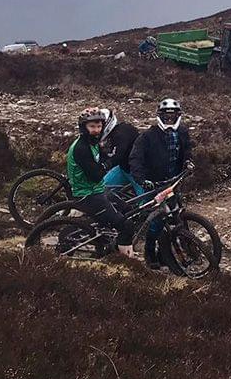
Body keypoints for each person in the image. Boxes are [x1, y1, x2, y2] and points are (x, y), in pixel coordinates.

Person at [129, 98, 193, 265]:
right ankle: (149, 251)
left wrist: (188, 162)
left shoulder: (182, 132)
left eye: (172, 117)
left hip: (174, 182)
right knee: (156, 219)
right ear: (160, 116)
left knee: (176, 215)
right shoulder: (147, 136)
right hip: (155, 183)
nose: (169, 120)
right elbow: (135, 159)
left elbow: (187, 151)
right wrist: (142, 180)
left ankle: (167, 250)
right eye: (166, 117)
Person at [68, 108, 133, 256]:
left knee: (129, 211)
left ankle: (111, 243)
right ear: (83, 127)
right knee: (126, 225)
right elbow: (96, 175)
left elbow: (102, 159)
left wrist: (108, 160)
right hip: (87, 194)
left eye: (99, 126)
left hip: (97, 189)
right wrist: (108, 164)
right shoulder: (81, 148)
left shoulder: (92, 143)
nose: (96, 130)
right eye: (92, 127)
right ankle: (124, 262)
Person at [100, 108, 143, 196]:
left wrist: (102, 165)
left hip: (138, 172)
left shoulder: (121, 134)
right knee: (101, 190)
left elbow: (117, 156)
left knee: (145, 203)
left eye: (100, 126)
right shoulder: (117, 131)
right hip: (124, 169)